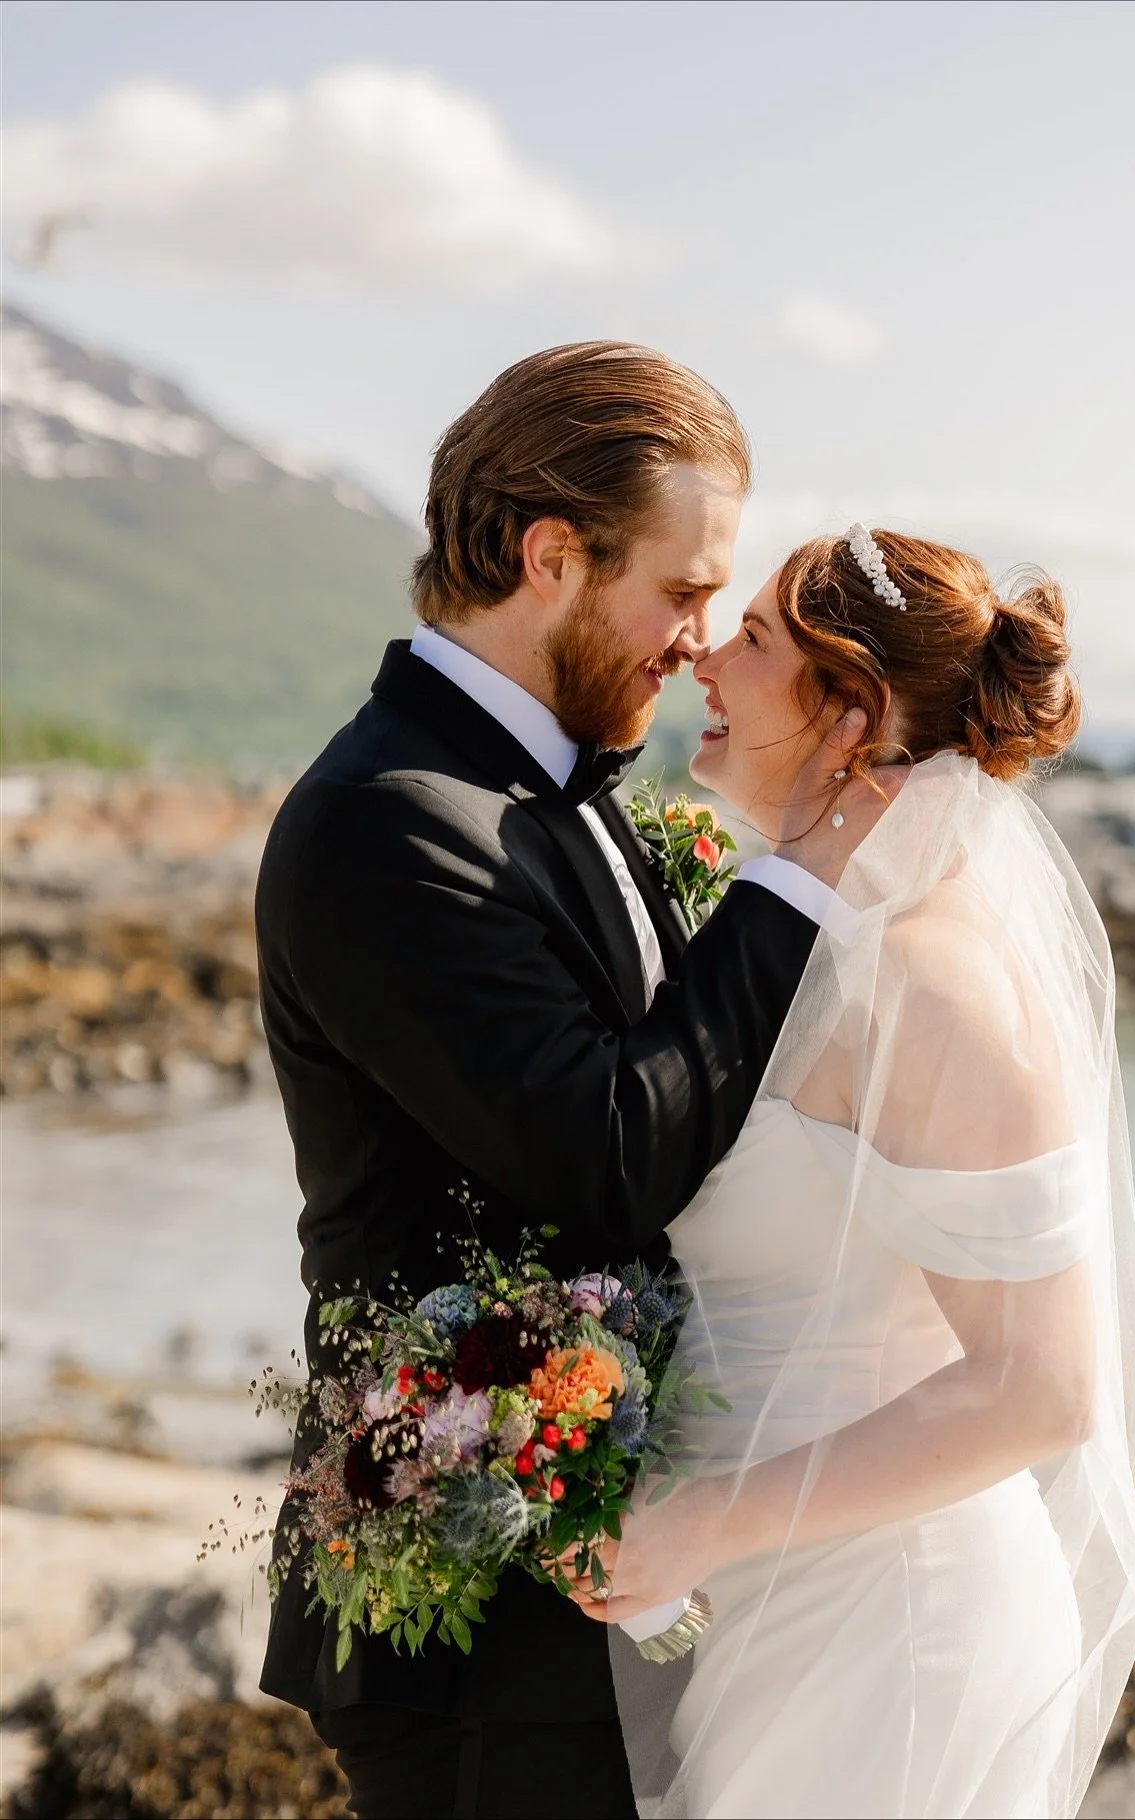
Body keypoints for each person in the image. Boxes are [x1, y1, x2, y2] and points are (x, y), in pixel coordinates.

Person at [253, 344, 871, 1820]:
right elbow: (600, 1152)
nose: (698, 640)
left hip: (593, 1588)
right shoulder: (386, 824)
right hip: (470, 1621)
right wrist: (799, 881)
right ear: (550, 557)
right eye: (679, 591)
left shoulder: (550, 796)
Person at [575, 529, 1135, 1818]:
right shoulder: (811, 944)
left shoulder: (933, 977)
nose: (706, 662)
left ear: (852, 715)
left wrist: (698, 1524)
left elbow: (1043, 1388)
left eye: (758, 640)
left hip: (894, 1623)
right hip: (771, 1600)